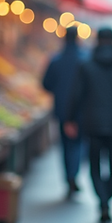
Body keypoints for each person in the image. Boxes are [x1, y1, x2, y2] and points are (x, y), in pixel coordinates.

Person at [65, 27, 112, 223]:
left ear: (97, 40)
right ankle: (109, 198)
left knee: (95, 164)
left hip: (93, 123)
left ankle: (102, 199)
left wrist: (70, 119)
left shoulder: (86, 65)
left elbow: (76, 94)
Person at [42, 26, 86, 196]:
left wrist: (59, 89)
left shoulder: (56, 60)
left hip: (61, 108)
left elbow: (46, 84)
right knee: (78, 143)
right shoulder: (85, 59)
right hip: (81, 110)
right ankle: (73, 174)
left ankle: (68, 176)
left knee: (65, 144)